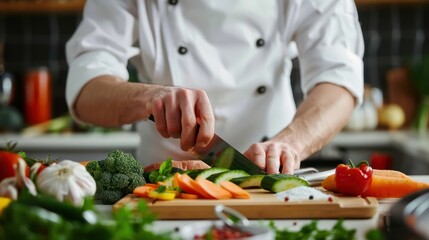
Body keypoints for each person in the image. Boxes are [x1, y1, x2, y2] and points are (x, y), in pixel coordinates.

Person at [66, 0, 364, 174]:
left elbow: (339, 75)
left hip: (268, 174)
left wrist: (290, 144)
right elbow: (86, 88)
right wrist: (148, 97)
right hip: (164, 183)